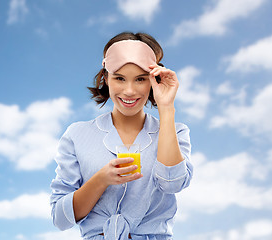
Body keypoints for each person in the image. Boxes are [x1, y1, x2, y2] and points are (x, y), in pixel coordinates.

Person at [49, 32, 193, 240]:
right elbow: (60, 219)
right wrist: (101, 180)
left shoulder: (175, 131)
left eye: (140, 79)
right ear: (106, 78)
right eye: (119, 78)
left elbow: (173, 184)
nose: (129, 90)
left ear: (154, 80)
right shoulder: (77, 134)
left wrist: (166, 107)